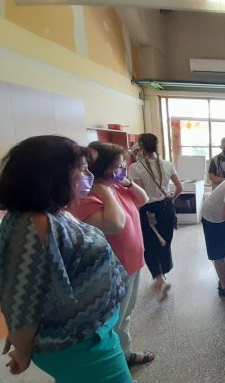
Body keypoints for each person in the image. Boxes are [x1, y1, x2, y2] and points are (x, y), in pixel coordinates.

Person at [0, 135, 131, 382]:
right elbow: (22, 298)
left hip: (92, 332)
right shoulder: (32, 226)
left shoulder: (49, 213)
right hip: (78, 343)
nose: (88, 175)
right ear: (51, 175)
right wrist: (22, 349)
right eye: (82, 168)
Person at [69, 142, 155, 367]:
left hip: (133, 262)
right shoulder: (89, 197)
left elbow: (143, 199)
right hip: (113, 270)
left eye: (123, 165)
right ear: (101, 168)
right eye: (117, 166)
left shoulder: (116, 186)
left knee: (125, 314)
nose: (122, 170)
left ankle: (124, 353)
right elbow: (115, 226)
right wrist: (105, 192)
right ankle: (113, 362)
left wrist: (125, 183)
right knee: (112, 320)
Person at [128, 133, 182, 301]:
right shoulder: (167, 164)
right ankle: (163, 273)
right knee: (165, 241)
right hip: (167, 208)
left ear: (141, 147)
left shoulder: (136, 167)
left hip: (148, 210)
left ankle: (159, 278)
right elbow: (179, 187)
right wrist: (170, 199)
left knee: (150, 244)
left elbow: (140, 194)